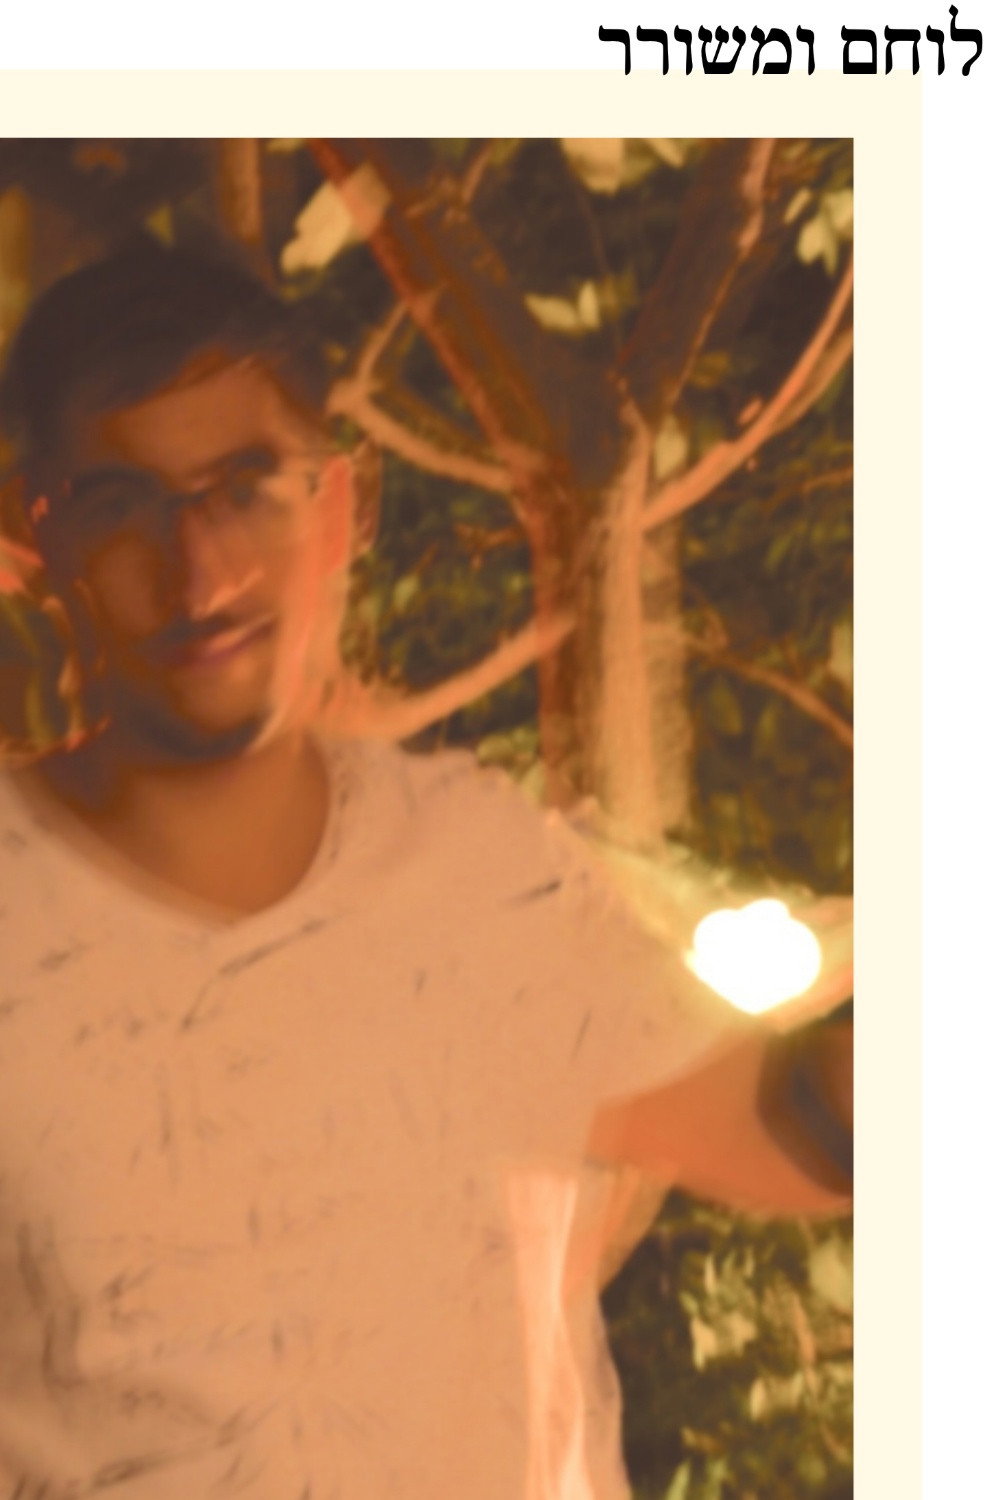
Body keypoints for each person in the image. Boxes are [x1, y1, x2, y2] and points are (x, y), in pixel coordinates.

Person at [0, 244, 852, 1499]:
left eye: (246, 488)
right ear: (32, 537)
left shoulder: (470, 870)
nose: (201, 573)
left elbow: (786, 1130)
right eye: (124, 503)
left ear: (337, 508)